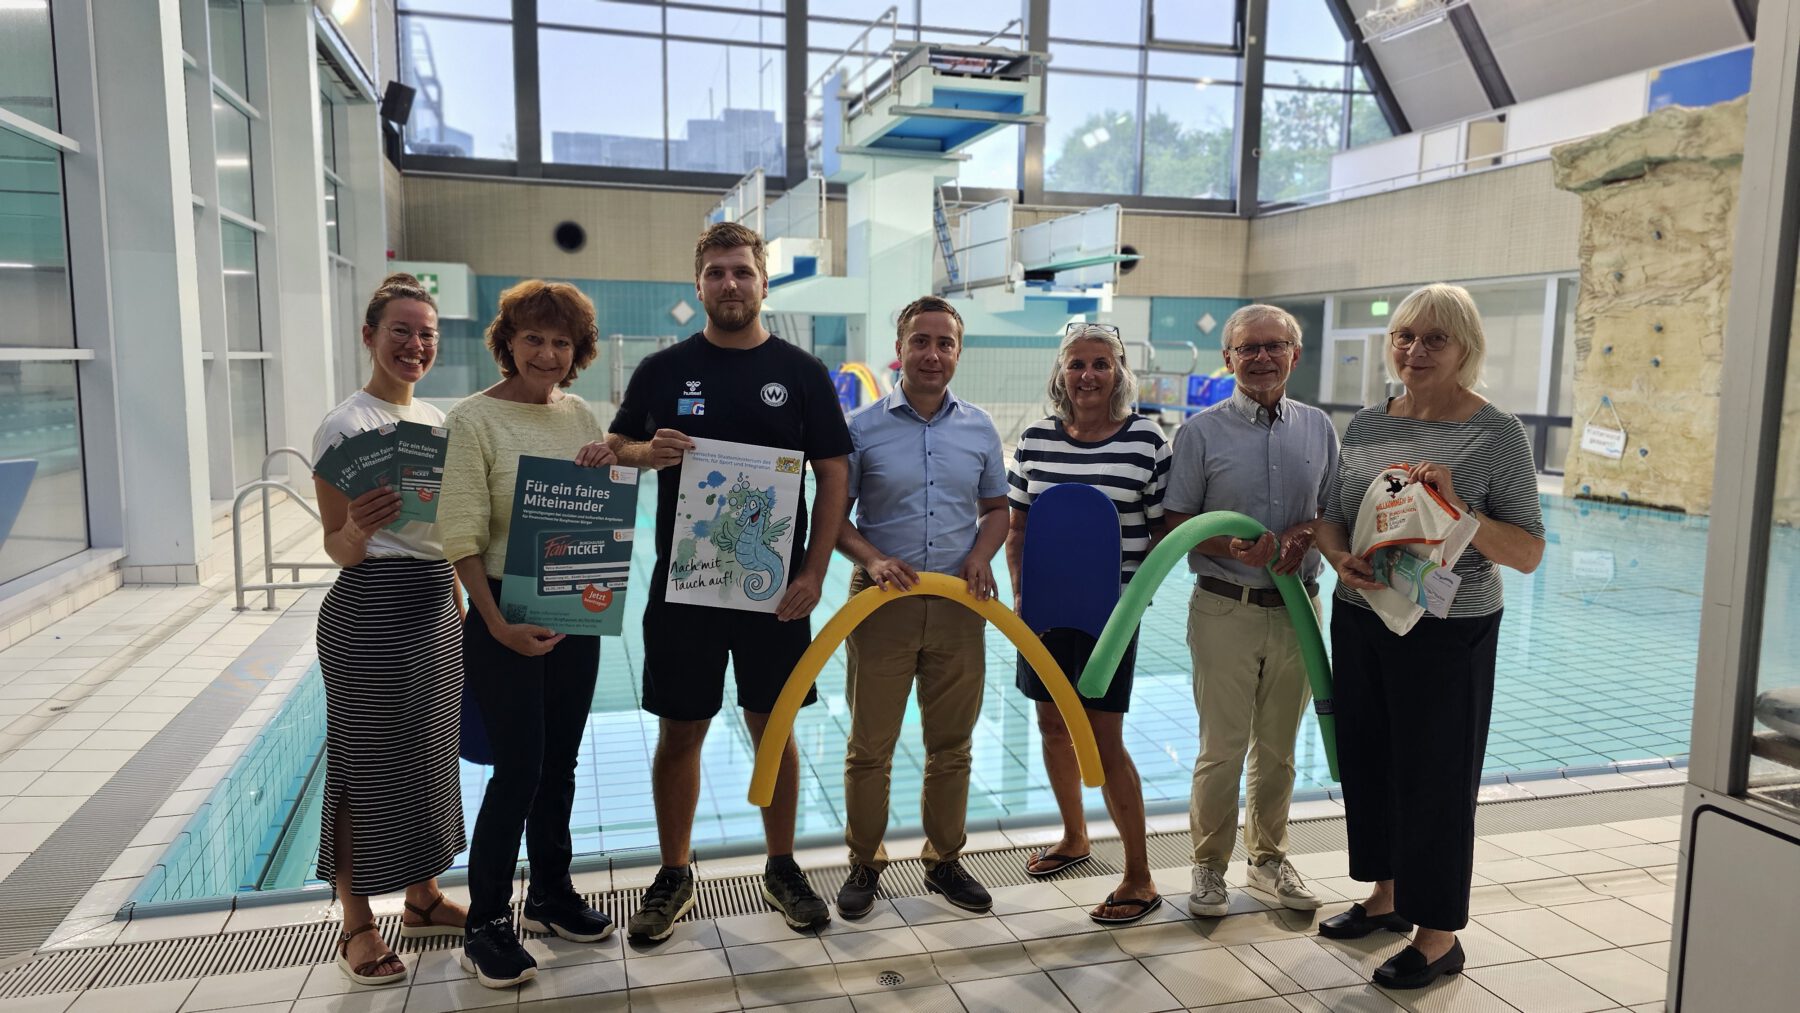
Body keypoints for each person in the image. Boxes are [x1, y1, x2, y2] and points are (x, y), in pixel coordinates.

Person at [606, 222, 852, 941]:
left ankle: (782, 865)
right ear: (698, 285)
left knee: (773, 725)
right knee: (680, 729)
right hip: (685, 590)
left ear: (763, 283)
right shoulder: (663, 369)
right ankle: (674, 872)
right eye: (716, 272)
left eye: (742, 271)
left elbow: (833, 474)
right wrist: (646, 452)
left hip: (775, 595)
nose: (730, 283)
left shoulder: (802, 373)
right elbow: (616, 445)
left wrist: (814, 569)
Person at [1312, 283, 1545, 990]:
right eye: (1405, 336)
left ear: (1465, 348)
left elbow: (1528, 551)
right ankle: (1386, 896)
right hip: (1363, 614)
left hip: (1449, 629)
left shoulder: (1495, 433)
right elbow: (1331, 516)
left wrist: (1459, 508)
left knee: (1436, 777)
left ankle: (1438, 935)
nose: (1415, 350)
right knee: (1371, 760)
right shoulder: (1368, 423)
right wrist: (1338, 557)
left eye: (1435, 338)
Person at [439, 281, 619, 989]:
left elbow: (595, 505)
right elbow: (461, 533)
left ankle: (549, 893)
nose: (547, 353)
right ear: (508, 342)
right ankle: (485, 922)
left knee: (561, 762)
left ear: (578, 351)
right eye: (534, 338)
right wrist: (496, 623)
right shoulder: (473, 420)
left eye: (561, 342)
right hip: (503, 615)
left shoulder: (579, 413)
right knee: (518, 769)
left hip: (574, 613)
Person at [312, 273, 467, 987]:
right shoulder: (343, 427)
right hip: (371, 606)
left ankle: (423, 897)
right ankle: (356, 923)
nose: (415, 345)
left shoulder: (436, 420)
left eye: (426, 334)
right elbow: (337, 548)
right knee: (362, 767)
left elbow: (448, 534)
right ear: (370, 336)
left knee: (428, 759)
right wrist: (354, 528)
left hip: (433, 605)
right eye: (401, 331)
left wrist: (459, 609)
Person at [833, 296, 1008, 918]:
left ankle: (945, 860)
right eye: (921, 342)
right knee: (870, 745)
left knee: (952, 744)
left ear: (958, 352)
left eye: (945, 343)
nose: (933, 354)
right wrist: (873, 559)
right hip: (882, 606)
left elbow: (997, 510)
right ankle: (864, 861)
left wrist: (982, 554)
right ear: (900, 349)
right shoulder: (861, 428)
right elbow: (835, 520)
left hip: (959, 605)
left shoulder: (979, 428)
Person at [1162, 304, 1338, 919]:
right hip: (1224, 607)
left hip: (1298, 612)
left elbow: (1335, 514)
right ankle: (1208, 866)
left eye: (1274, 346)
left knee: (1280, 747)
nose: (1262, 357)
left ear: (1294, 354)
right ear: (1228, 358)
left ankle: (1268, 860)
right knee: (1222, 748)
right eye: (1248, 348)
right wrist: (1229, 545)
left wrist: (1306, 532)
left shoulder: (1318, 428)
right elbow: (1176, 521)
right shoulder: (1200, 433)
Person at [1004, 322, 1171, 925]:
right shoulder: (1035, 440)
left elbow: (1162, 532)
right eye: (1077, 363)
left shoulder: (1147, 442)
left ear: (1120, 372)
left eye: (1101, 363)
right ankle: (1075, 837)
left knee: (1103, 738)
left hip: (1110, 615)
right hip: (1045, 612)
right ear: (1061, 372)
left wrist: (1135, 602)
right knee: (1052, 725)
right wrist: (1021, 596)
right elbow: (1018, 529)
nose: (1088, 375)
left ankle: (1140, 875)